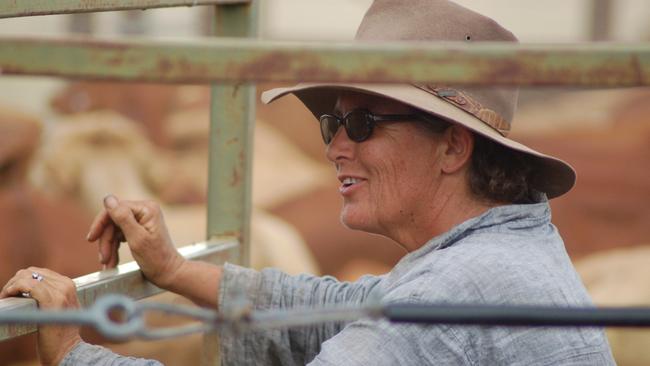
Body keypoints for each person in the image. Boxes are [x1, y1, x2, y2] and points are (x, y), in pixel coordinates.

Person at [0, 1, 615, 365]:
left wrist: (72, 351)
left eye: (362, 123)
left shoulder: (460, 288)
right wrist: (175, 270)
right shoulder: (500, 251)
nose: (335, 147)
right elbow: (340, 312)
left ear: (453, 146)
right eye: (331, 124)